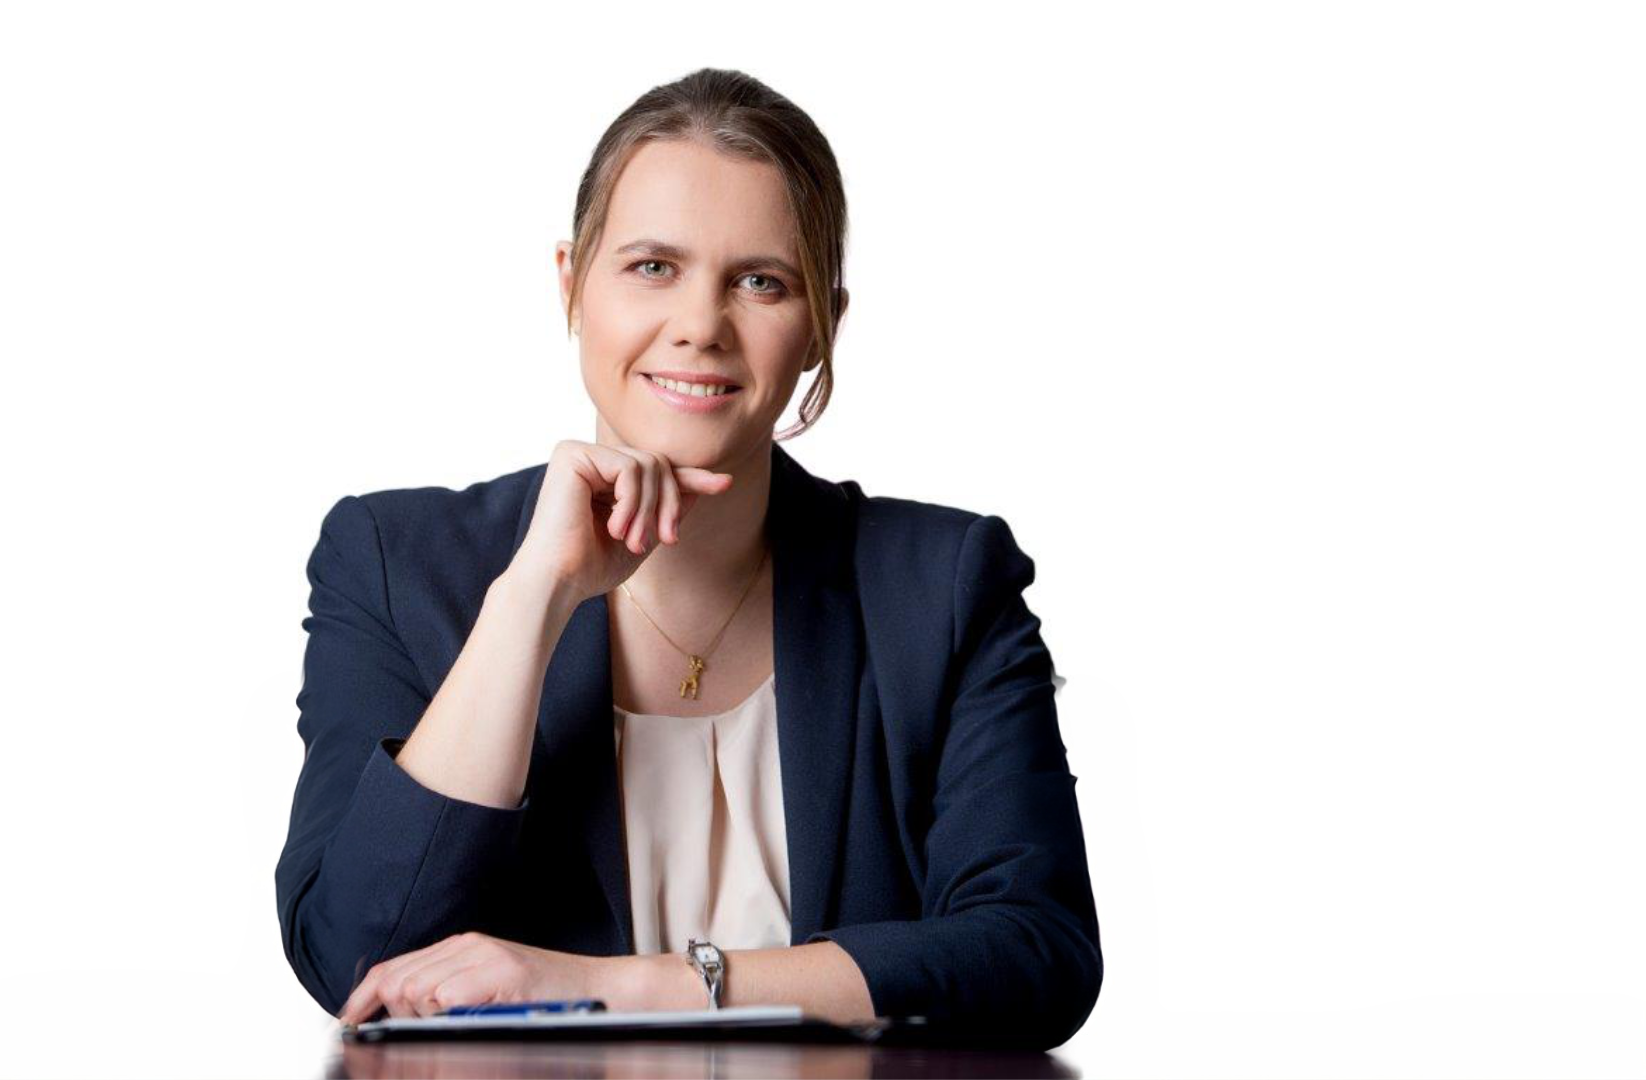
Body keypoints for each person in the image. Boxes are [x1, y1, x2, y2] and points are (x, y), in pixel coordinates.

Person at [273, 67, 1102, 1050]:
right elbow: (357, 964)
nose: (701, 326)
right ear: (571, 284)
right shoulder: (392, 562)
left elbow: (1035, 952)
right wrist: (532, 597)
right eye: (652, 266)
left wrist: (630, 987)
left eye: (761, 281)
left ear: (822, 324)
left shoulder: (947, 586)